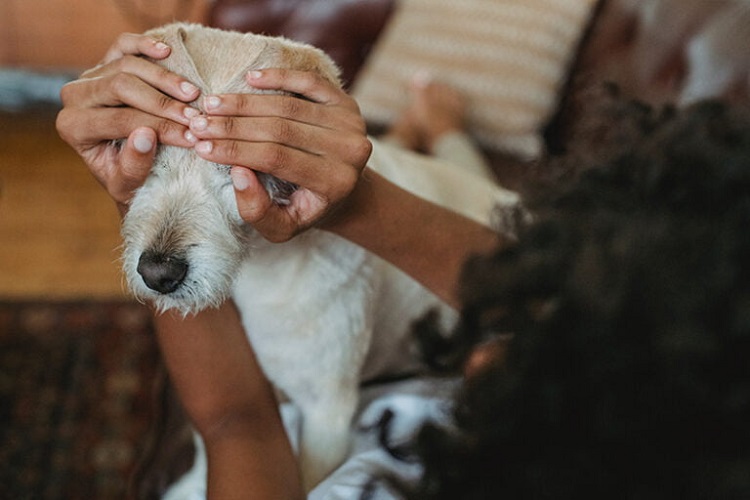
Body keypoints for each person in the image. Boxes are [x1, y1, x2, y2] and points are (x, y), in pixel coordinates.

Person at [56, 32, 500, 499]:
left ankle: (421, 132)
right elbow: (237, 420)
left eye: (227, 172)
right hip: (483, 251)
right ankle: (440, 131)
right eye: (159, 156)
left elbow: (236, 422)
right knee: (456, 185)